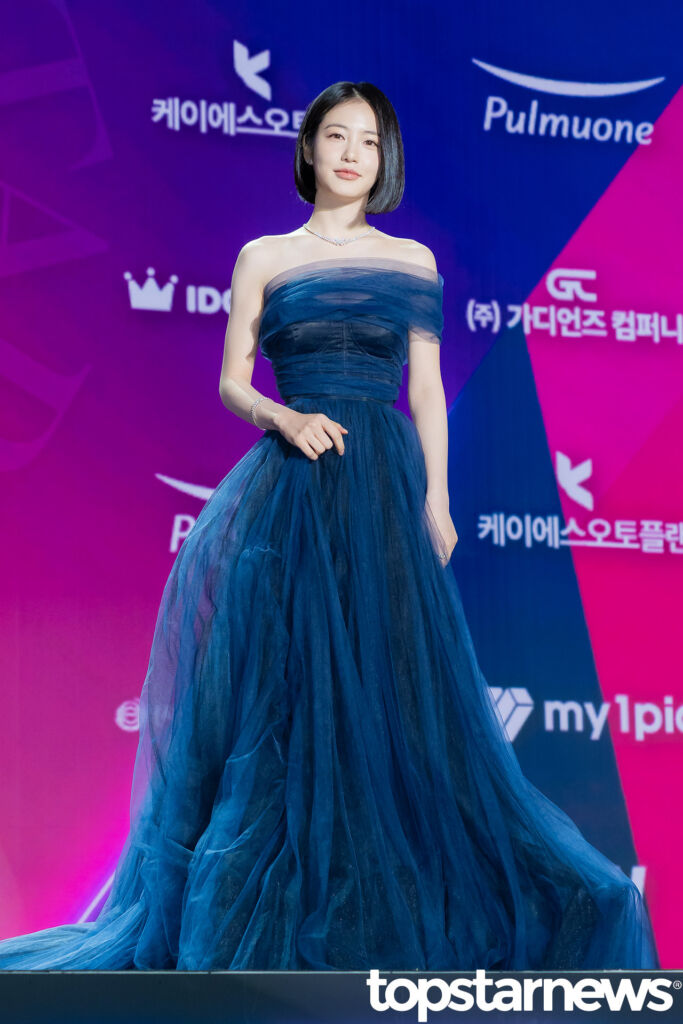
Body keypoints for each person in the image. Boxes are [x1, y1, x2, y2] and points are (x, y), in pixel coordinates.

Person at [0, 81, 658, 971]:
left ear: (385, 161)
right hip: (294, 489)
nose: (353, 154)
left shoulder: (411, 260)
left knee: (394, 701)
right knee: (282, 698)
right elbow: (232, 380)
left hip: (382, 491)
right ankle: (271, 919)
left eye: (370, 142)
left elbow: (425, 390)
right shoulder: (264, 256)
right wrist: (283, 416)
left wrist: (436, 501)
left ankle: (401, 906)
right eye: (338, 136)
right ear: (308, 148)